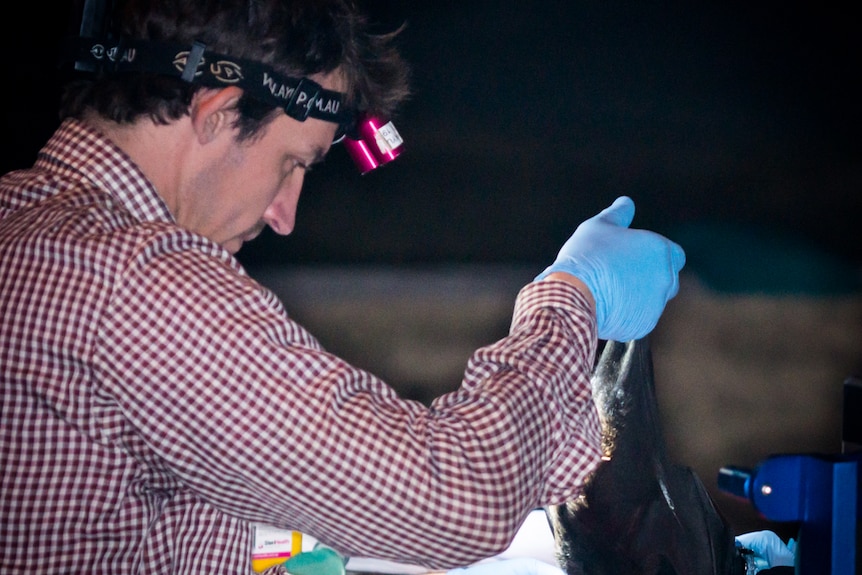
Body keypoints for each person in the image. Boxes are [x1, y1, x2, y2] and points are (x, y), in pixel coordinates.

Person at [0, 0, 685, 574]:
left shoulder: (25, 229)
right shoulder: (138, 284)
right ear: (215, 111)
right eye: (291, 163)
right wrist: (573, 297)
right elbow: (455, 499)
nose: (285, 215)